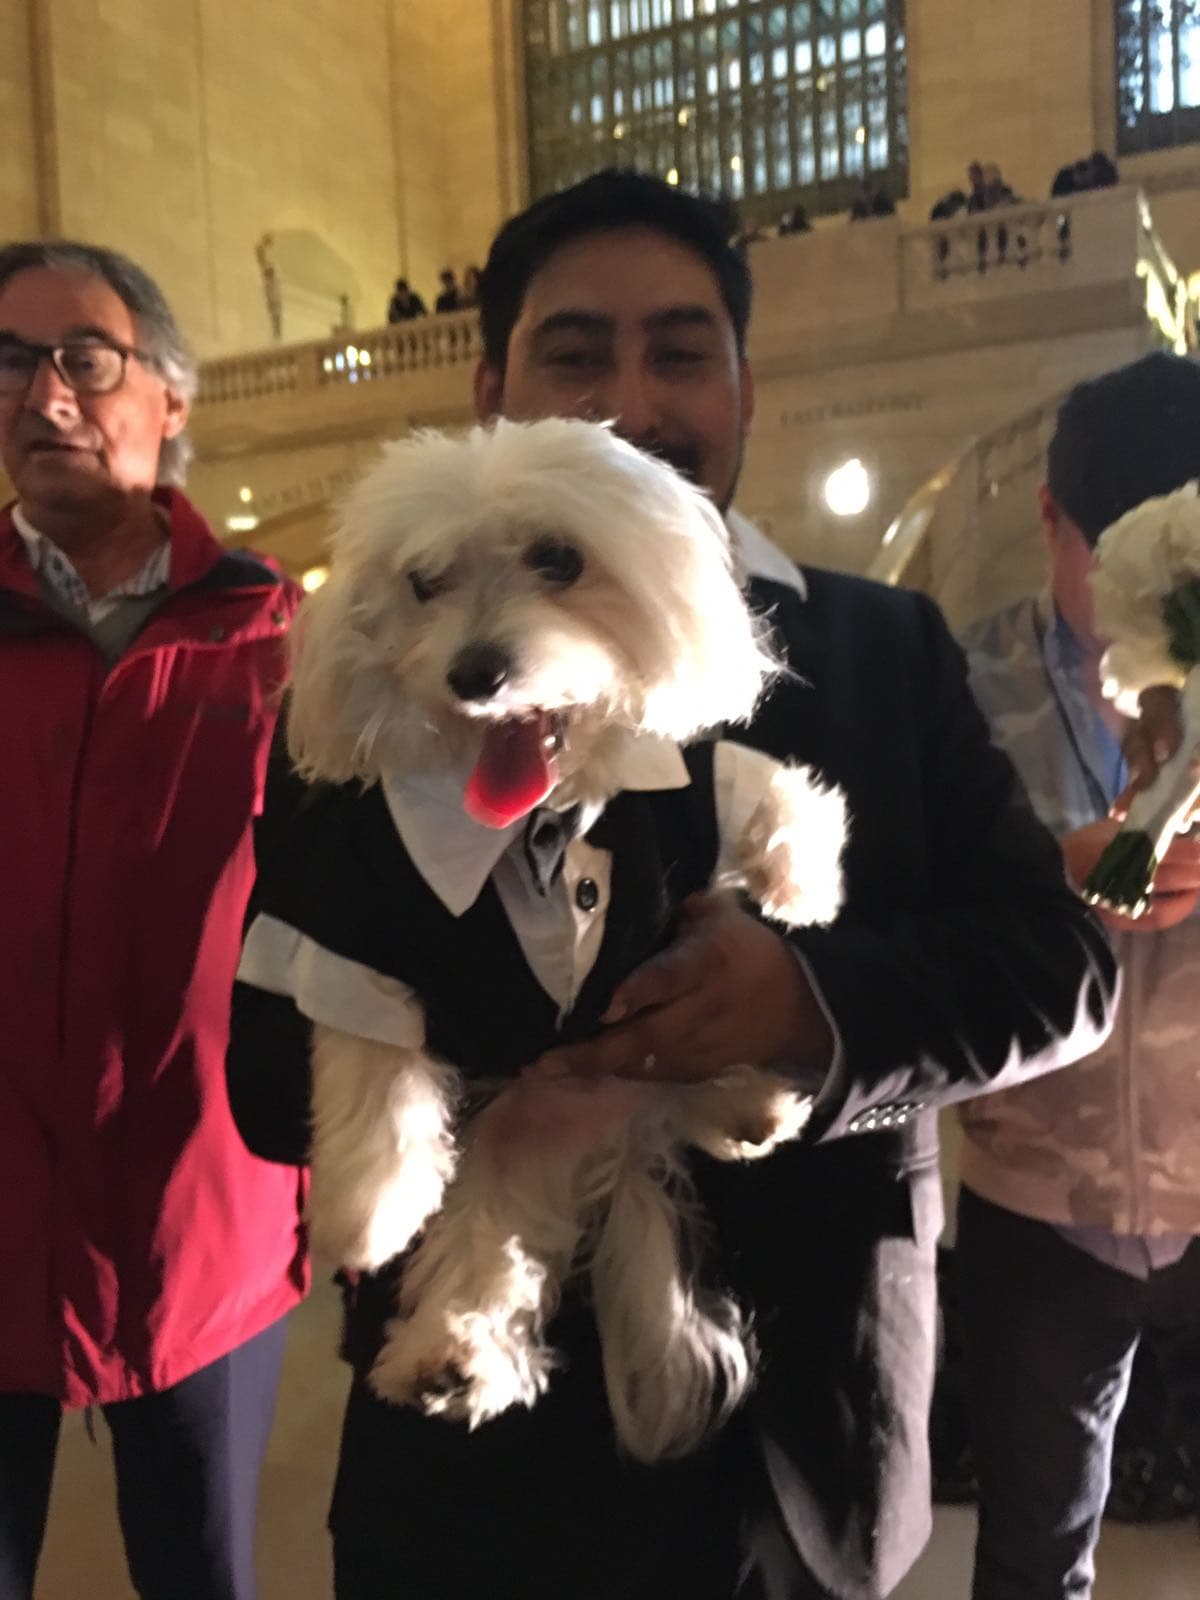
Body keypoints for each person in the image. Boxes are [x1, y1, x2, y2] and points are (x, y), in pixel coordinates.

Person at [228, 170, 1116, 1600]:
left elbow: (1054, 971)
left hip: (806, 1453)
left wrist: (801, 1008)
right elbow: (271, 1072)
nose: (633, 407)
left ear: (748, 388)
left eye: (681, 354)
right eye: (576, 356)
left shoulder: (885, 651)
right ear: (492, 391)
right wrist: (500, 1028)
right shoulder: (382, 686)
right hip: (459, 1480)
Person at [0, 241, 308, 1600]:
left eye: (83, 357)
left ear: (170, 399)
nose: (41, 392)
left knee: (201, 1578)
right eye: (10, 361)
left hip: (211, 1224)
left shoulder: (278, 637)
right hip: (0, 1212)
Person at [957, 351, 1200, 1600]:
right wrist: (1043, 868)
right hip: (1036, 1185)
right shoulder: (960, 687)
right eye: (1117, 557)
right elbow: (908, 897)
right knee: (1035, 1548)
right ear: (1051, 518)